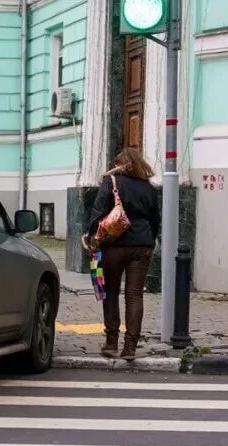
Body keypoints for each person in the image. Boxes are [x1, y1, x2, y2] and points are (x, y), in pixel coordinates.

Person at [83, 147, 161, 361]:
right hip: (143, 245)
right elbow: (155, 219)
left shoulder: (112, 182)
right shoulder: (149, 188)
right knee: (134, 295)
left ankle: (111, 342)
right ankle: (130, 347)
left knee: (111, 291)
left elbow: (98, 211)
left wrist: (91, 237)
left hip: (115, 244)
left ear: (120, 163)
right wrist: (150, 240)